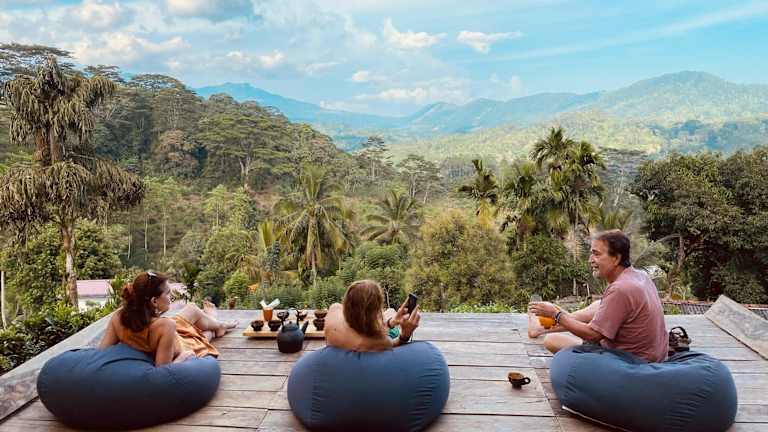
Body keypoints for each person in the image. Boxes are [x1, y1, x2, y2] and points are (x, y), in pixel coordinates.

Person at [528, 230, 669, 363]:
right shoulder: (640, 276)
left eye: (596, 254)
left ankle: (543, 327)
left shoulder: (620, 289)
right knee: (598, 305)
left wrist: (556, 315)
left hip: (631, 361)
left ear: (616, 258)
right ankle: (542, 327)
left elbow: (593, 335)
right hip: (652, 354)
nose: (590, 260)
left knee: (552, 340)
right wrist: (559, 315)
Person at [98, 271, 238, 365]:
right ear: (154, 301)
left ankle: (219, 324)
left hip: (169, 333)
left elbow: (100, 354)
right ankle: (216, 324)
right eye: (168, 293)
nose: (171, 297)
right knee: (203, 334)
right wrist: (183, 357)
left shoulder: (118, 317)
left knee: (192, 308)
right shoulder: (165, 326)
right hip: (181, 346)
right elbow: (164, 372)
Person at [325, 280, 420, 352]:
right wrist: (405, 334)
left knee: (390, 313)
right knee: (390, 311)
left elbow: (340, 309)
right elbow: (396, 342)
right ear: (377, 313)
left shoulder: (333, 319)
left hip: (365, 323)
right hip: (380, 331)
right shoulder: (380, 342)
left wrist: (391, 322)